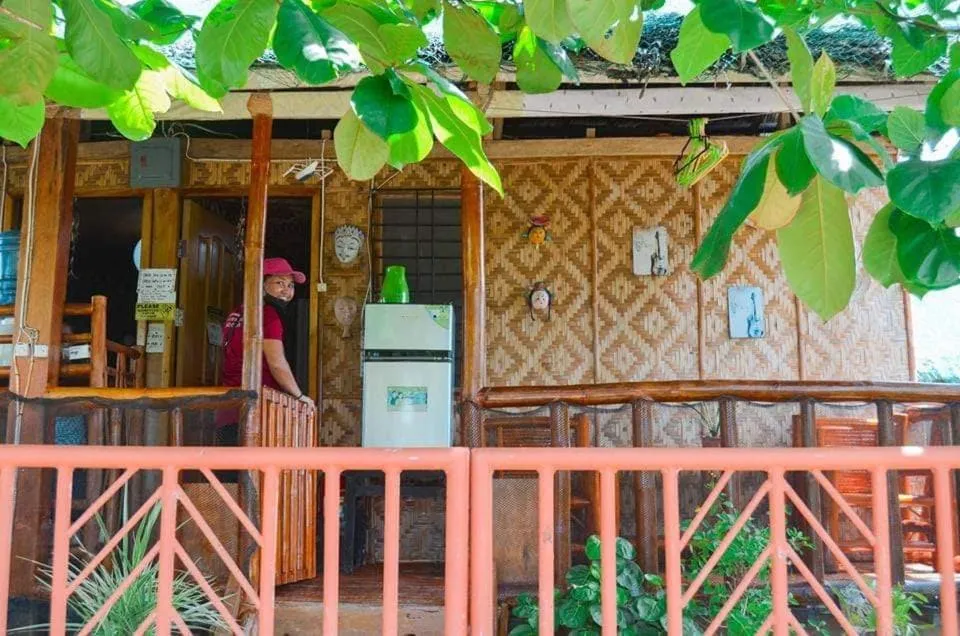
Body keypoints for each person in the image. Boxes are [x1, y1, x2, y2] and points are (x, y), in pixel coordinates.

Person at [216, 257, 315, 446]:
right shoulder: (268, 316)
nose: (287, 291)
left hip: (228, 407)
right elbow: (276, 362)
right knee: (255, 471)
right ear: (261, 285)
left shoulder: (236, 313)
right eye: (279, 283)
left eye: (291, 285)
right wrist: (300, 397)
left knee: (228, 470)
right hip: (257, 409)